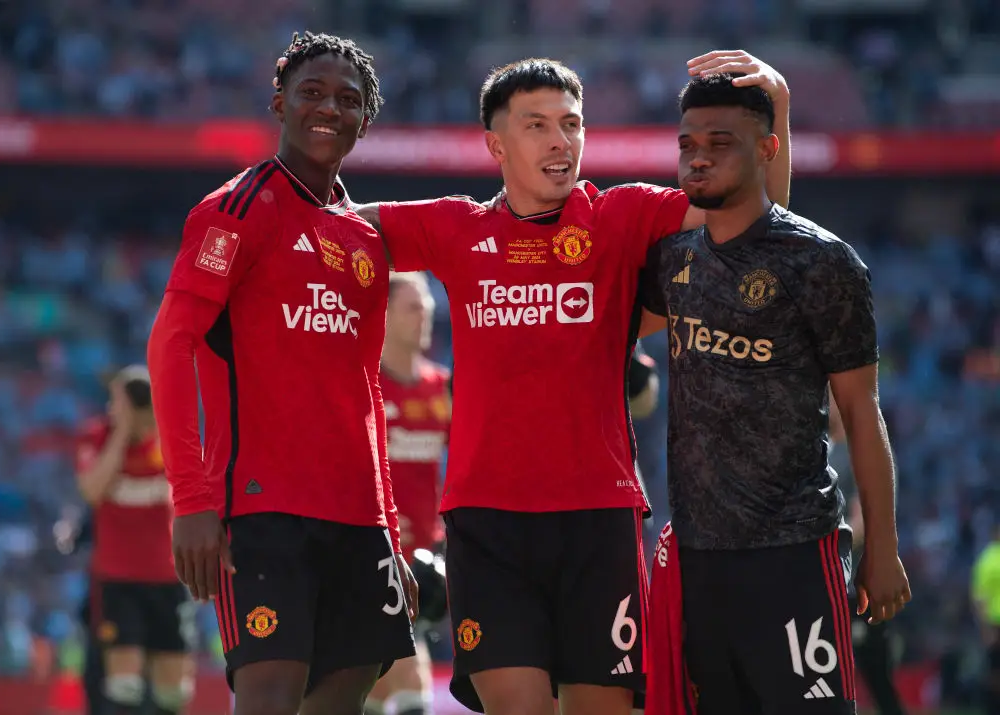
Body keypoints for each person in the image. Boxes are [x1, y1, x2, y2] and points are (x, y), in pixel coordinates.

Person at [351, 50, 793, 715]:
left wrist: (777, 108)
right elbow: (336, 229)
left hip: (598, 520)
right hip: (487, 525)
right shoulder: (456, 228)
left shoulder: (622, 216)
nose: (561, 140)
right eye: (537, 125)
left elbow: (757, 223)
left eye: (572, 123)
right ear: (496, 145)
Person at [145, 31, 416, 715]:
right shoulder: (236, 210)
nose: (328, 108)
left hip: (358, 518)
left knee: (344, 701)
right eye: (311, 92)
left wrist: (389, 526)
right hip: (263, 512)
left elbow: (365, 390)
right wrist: (191, 500)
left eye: (347, 99)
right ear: (279, 103)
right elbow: (171, 345)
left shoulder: (364, 237)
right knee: (268, 696)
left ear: (365, 120)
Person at [637, 73, 911, 715]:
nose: (698, 158)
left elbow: (861, 412)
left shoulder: (823, 262)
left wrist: (884, 548)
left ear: (767, 149)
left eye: (720, 143)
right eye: (687, 144)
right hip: (698, 561)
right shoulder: (673, 261)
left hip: (794, 554)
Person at [74, 367, 196, 715]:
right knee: (123, 687)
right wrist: (123, 433)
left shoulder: (172, 438)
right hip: (117, 578)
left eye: (120, 400)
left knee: (174, 693)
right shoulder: (96, 436)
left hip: (167, 576)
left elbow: (194, 494)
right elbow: (92, 491)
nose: (113, 408)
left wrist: (156, 426)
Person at [367, 271, 451, 715]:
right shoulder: (364, 386)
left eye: (428, 308)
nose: (425, 316)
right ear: (383, 315)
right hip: (370, 553)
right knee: (403, 677)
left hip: (421, 559)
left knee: (379, 685)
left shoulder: (443, 388)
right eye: (414, 307)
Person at [829, 397, 908, 715]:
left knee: (875, 676)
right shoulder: (822, 450)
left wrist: (819, 545)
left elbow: (861, 524)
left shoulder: (861, 452)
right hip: (831, 583)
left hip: (858, 586)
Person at [972, 525, 1000, 715]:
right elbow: (980, 597)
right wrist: (985, 628)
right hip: (995, 624)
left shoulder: (986, 559)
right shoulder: (988, 559)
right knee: (995, 671)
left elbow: (979, 597)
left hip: (993, 624)